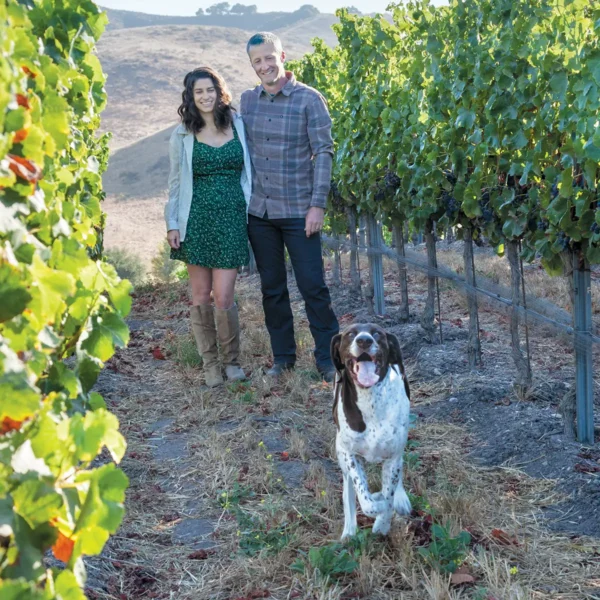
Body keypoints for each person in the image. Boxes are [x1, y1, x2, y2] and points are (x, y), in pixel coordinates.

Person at [241, 32, 339, 382]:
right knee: (272, 289)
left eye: (270, 58)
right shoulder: (247, 101)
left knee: (313, 286)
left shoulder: (309, 99)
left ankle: (329, 361)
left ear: (282, 56)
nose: (265, 65)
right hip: (261, 214)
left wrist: (318, 206)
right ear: (252, 65)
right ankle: (283, 359)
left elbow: (324, 153)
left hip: (300, 211)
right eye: (257, 61)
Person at [165, 67, 252, 388]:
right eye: (198, 91)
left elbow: (249, 172)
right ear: (191, 96)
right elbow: (175, 183)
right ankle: (210, 364)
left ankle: (231, 362)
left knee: (225, 296)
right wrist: (172, 223)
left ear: (219, 91)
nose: (205, 96)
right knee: (201, 295)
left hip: (231, 218)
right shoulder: (183, 134)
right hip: (196, 219)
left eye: (210, 90)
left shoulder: (238, 124)